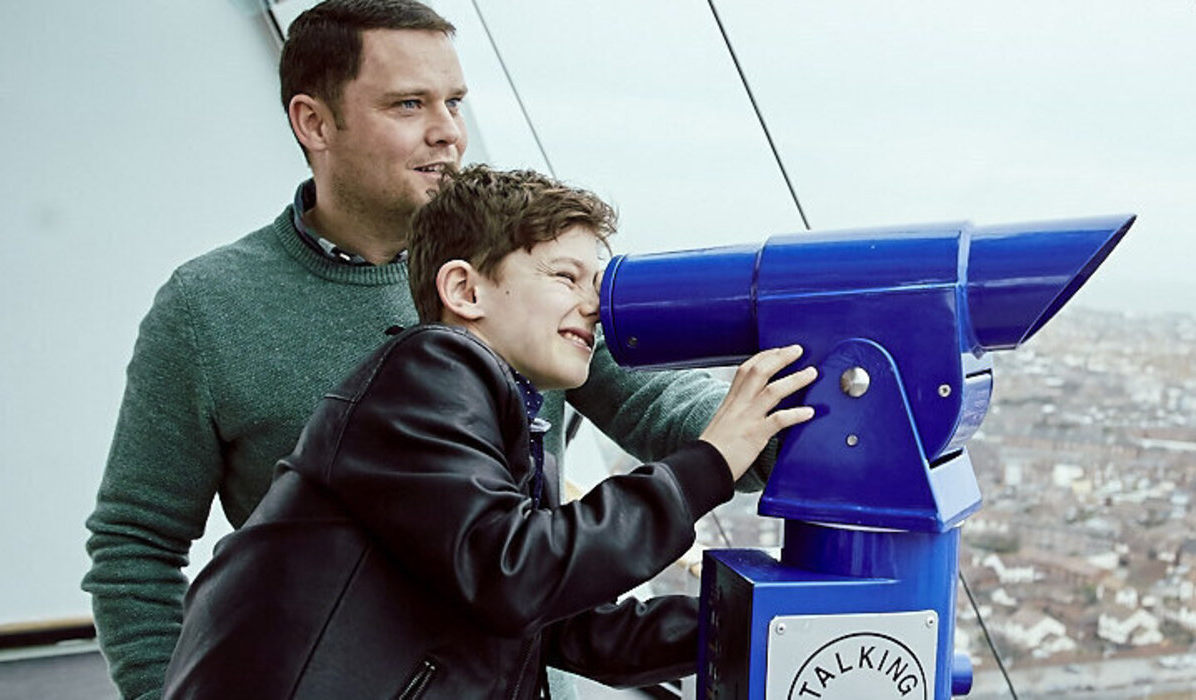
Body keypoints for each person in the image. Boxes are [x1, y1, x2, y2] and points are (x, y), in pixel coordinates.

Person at [81, 2, 770, 698]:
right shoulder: (209, 306)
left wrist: (796, 440)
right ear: (313, 122)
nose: (448, 132)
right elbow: (134, 547)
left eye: (456, 102)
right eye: (409, 104)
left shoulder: (524, 286)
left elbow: (658, 401)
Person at [161, 165, 816, 699]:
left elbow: (560, 630)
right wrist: (712, 460)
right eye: (565, 277)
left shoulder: (500, 415)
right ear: (465, 291)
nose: (594, 304)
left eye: (598, 281)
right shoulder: (426, 371)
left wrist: (751, 628)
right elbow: (516, 572)